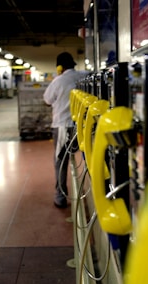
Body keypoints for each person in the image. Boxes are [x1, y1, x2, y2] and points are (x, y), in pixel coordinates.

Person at [43, 52, 88, 209]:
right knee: (86, 157)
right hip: (83, 126)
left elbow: (47, 100)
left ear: (59, 67)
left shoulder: (58, 81)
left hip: (63, 127)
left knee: (61, 162)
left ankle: (60, 197)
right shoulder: (84, 76)